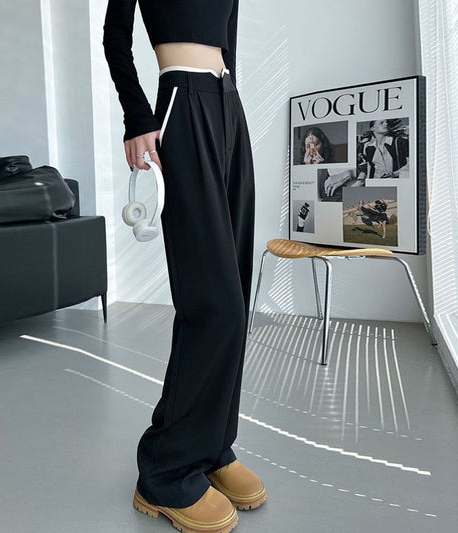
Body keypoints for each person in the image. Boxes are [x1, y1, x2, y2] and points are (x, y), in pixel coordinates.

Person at [102, 1, 265, 532]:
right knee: (213, 303)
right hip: (182, 103)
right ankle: (166, 470)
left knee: (236, 291)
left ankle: (213, 446)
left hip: (228, 106)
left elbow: (228, 37)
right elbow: (115, 36)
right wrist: (138, 118)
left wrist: (228, 101)